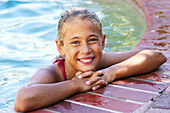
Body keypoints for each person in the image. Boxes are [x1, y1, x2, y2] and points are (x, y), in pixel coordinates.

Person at [14, 7, 167, 112]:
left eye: (92, 40)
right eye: (75, 42)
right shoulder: (52, 73)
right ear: (60, 48)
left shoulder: (100, 61)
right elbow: (22, 100)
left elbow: (156, 56)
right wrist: (75, 85)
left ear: (103, 42)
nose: (86, 50)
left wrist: (110, 73)